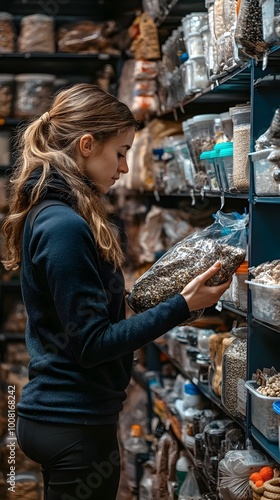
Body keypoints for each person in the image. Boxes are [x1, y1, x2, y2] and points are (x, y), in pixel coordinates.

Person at [1, 83, 231, 500]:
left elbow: (76, 318)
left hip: (58, 416)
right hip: (74, 425)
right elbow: (93, 344)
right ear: (87, 145)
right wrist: (183, 304)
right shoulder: (64, 226)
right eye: (121, 152)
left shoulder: (55, 213)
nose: (125, 168)